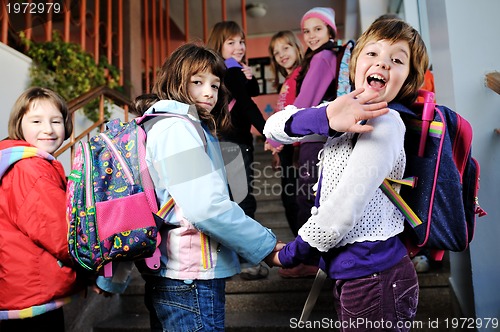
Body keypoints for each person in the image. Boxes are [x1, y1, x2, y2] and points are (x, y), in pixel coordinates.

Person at [264, 18, 429, 330]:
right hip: (353, 273)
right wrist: (325, 116)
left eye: (396, 60)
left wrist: (290, 255)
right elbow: (272, 125)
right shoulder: (340, 108)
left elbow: (341, 211)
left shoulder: (386, 123)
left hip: (377, 277)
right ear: (355, 64)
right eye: (372, 53)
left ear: (407, 78)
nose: (382, 63)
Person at [131, 42, 278, 331]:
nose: (208, 92)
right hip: (189, 276)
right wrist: (268, 247)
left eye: (215, 83)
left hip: (179, 273)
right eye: (197, 82)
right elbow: (206, 208)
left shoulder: (179, 125)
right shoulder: (177, 128)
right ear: (175, 81)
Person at [0, 87, 84, 331]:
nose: (48, 129)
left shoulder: (24, 163)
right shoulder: (31, 170)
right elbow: (64, 236)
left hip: (19, 293)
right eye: (36, 121)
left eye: (56, 121)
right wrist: (97, 269)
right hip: (31, 300)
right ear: (19, 125)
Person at [207, 21, 270, 280]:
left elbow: (249, 92)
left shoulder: (221, 72)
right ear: (219, 45)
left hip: (220, 141)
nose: (239, 47)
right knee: (243, 199)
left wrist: (248, 76)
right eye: (231, 42)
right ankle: (248, 261)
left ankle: (229, 259)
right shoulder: (230, 71)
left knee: (227, 199)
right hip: (235, 142)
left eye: (241, 41)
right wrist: (270, 133)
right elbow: (246, 104)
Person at [281, 6, 340, 278]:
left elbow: (305, 101)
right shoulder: (324, 56)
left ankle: (310, 260)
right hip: (320, 137)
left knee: (307, 199)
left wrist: (280, 130)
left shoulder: (323, 57)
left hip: (316, 139)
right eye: (306, 31)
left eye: (318, 29)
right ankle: (317, 259)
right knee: (313, 198)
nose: (311, 35)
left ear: (330, 30)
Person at [266, 30, 303, 236]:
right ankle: (302, 250)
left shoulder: (302, 76)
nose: (281, 55)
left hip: (298, 146)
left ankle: (307, 253)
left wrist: (296, 149)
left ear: (297, 47)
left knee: (295, 200)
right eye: (276, 52)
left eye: (285, 48)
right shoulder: (287, 80)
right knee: (289, 199)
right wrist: (276, 150)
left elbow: (299, 113)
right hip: (286, 148)